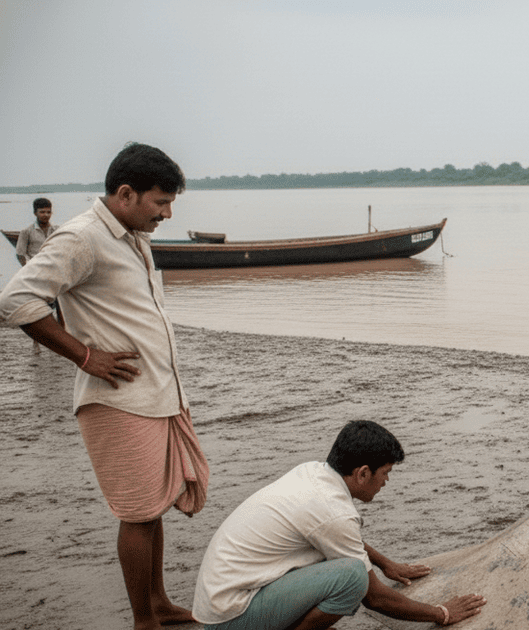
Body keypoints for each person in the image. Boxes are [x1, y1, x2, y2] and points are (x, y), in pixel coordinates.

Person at [0, 143, 209, 629]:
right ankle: (144, 621)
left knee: (153, 507)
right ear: (125, 193)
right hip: (118, 401)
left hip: (155, 395)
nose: (168, 213)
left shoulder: (133, 235)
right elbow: (15, 301)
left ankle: (158, 604)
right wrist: (86, 356)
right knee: (137, 512)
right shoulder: (82, 238)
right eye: (160, 202)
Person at [192, 420, 487, 629]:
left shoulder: (313, 473)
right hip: (231, 618)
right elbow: (374, 598)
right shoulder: (333, 512)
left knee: (339, 563)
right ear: (362, 473)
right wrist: (443, 613)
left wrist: (386, 564)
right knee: (352, 577)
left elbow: (333, 533)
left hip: (222, 602)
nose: (387, 481)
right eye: (385, 473)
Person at [14, 197, 63, 352]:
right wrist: (28, 270)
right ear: (35, 212)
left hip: (54, 272)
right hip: (35, 273)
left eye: (48, 212)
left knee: (60, 306)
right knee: (37, 308)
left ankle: (60, 342)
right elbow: (20, 253)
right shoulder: (27, 232)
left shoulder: (56, 230)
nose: (45, 215)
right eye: (42, 212)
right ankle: (36, 342)